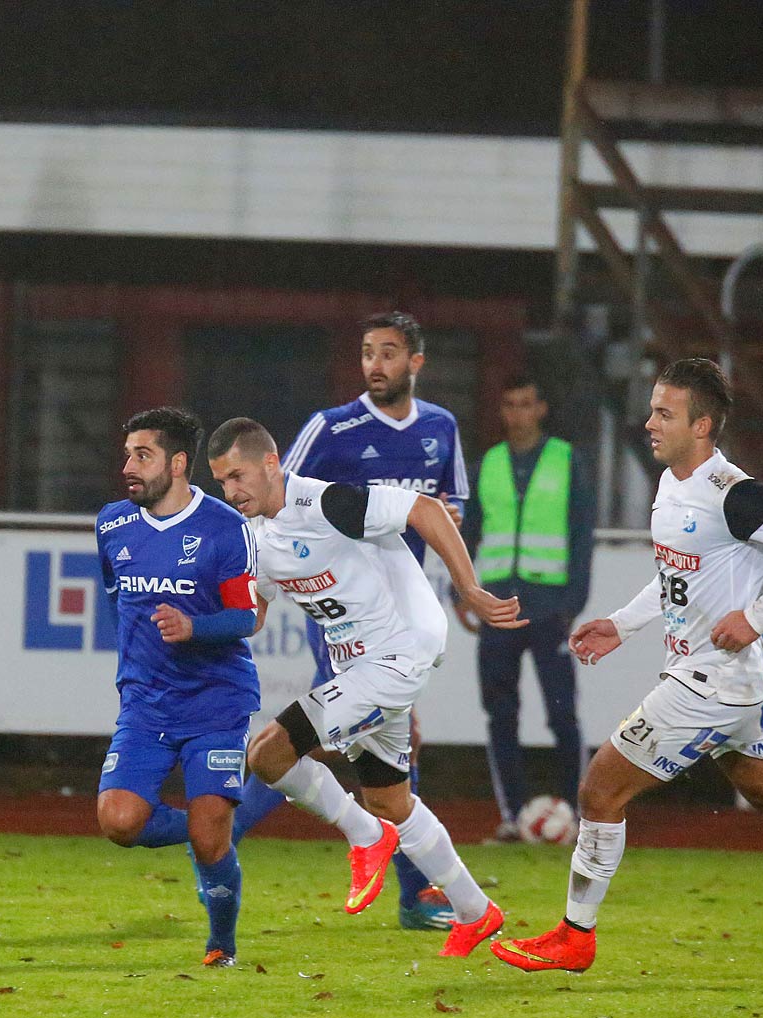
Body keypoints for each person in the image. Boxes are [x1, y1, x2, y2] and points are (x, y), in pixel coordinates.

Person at [492, 359, 763, 974]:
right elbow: (677, 576)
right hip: (725, 681)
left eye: (664, 413)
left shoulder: (731, 492)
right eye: (652, 409)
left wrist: (757, 617)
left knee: (600, 790)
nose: (650, 422)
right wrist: (622, 624)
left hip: (711, 681)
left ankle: (576, 935)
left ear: (702, 425)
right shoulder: (673, 486)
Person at [206, 416, 525, 958]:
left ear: (270, 462)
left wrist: (469, 588)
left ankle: (365, 836)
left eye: (237, 476)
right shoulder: (256, 538)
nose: (231, 491)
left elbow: (424, 510)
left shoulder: (327, 503)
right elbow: (253, 614)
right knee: (390, 797)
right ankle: (475, 911)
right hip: (359, 668)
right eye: (220, 483)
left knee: (268, 754)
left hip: (402, 651)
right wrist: (200, 624)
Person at [93, 407, 393, 968]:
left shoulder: (225, 529)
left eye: (143, 455)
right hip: (144, 705)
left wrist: (191, 628)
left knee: (209, 844)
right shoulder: (112, 524)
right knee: (119, 821)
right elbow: (118, 600)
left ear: (177, 464)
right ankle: (214, 827)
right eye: (128, 454)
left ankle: (221, 944)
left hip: (216, 701)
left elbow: (245, 618)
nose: (128, 466)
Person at [230, 310, 470, 930]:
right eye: (367, 352)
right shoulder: (332, 427)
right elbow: (282, 502)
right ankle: (416, 891)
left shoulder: (441, 427)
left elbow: (449, 507)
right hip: (341, 616)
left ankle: (425, 890)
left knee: (354, 750)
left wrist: (460, 582)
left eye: (389, 353)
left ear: (415, 361)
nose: (375, 364)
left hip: (401, 610)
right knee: (332, 743)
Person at [458, 375, 595, 841]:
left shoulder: (566, 460)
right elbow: (468, 533)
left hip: (549, 604)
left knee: (562, 714)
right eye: (509, 405)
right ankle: (514, 816)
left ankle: (578, 816)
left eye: (525, 404)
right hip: (497, 604)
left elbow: (581, 533)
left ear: (541, 409)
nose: (517, 413)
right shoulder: (487, 465)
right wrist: (465, 592)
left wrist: (574, 602)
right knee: (501, 712)